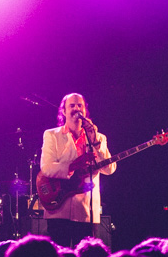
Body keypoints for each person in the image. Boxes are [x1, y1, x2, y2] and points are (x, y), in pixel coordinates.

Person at [40, 93, 116, 247]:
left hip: (86, 211)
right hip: (59, 207)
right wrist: (73, 166)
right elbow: (47, 168)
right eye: (71, 106)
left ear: (85, 111)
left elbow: (109, 169)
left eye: (79, 105)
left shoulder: (98, 138)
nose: (76, 108)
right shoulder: (52, 135)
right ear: (63, 111)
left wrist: (95, 142)